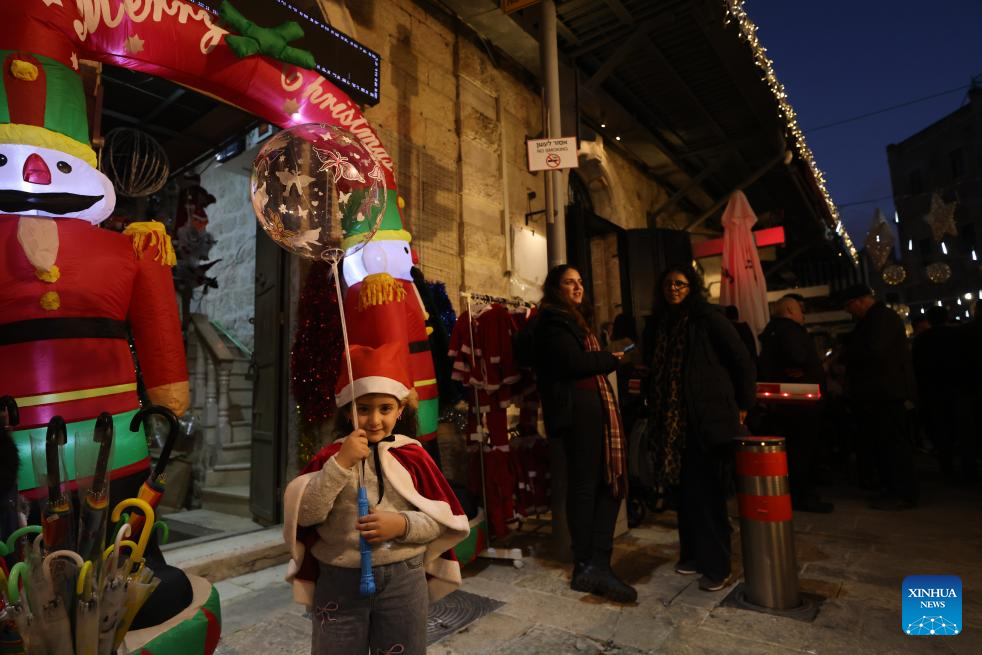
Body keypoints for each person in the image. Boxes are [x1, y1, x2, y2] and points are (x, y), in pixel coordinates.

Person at [283, 342, 470, 654]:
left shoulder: (413, 457)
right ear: (347, 411)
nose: (374, 420)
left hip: (402, 580)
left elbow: (441, 520)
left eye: (385, 409)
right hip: (339, 582)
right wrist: (341, 464)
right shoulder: (331, 458)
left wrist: (402, 524)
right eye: (363, 409)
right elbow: (308, 515)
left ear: (400, 410)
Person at [645, 267, 755, 592]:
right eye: (668, 284)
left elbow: (741, 359)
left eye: (680, 284)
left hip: (705, 418)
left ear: (691, 287)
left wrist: (744, 403)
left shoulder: (708, 319)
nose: (673, 289)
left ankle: (718, 566)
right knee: (684, 493)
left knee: (707, 494)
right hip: (672, 422)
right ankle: (692, 555)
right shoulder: (661, 322)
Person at [532, 265, 636, 602]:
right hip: (577, 411)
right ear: (555, 288)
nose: (578, 288)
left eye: (580, 282)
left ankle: (596, 564)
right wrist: (610, 359)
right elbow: (574, 364)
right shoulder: (553, 321)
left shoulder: (573, 320)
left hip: (591, 409)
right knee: (586, 486)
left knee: (604, 484)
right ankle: (588, 565)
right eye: (569, 283)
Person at [840, 284, 917, 510]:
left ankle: (901, 493)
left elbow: (873, 350)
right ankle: (892, 489)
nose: (849, 311)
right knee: (885, 444)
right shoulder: (877, 318)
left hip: (885, 393)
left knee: (892, 445)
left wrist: (847, 357)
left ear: (861, 301)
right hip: (880, 392)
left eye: (849, 306)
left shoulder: (880, 318)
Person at [757, 296, 832, 512]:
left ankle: (797, 492)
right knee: (802, 449)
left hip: (784, 402)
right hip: (800, 402)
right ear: (790, 310)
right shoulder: (790, 331)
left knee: (794, 449)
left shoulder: (771, 332)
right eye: (800, 310)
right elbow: (797, 356)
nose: (803, 315)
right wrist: (808, 368)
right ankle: (802, 495)